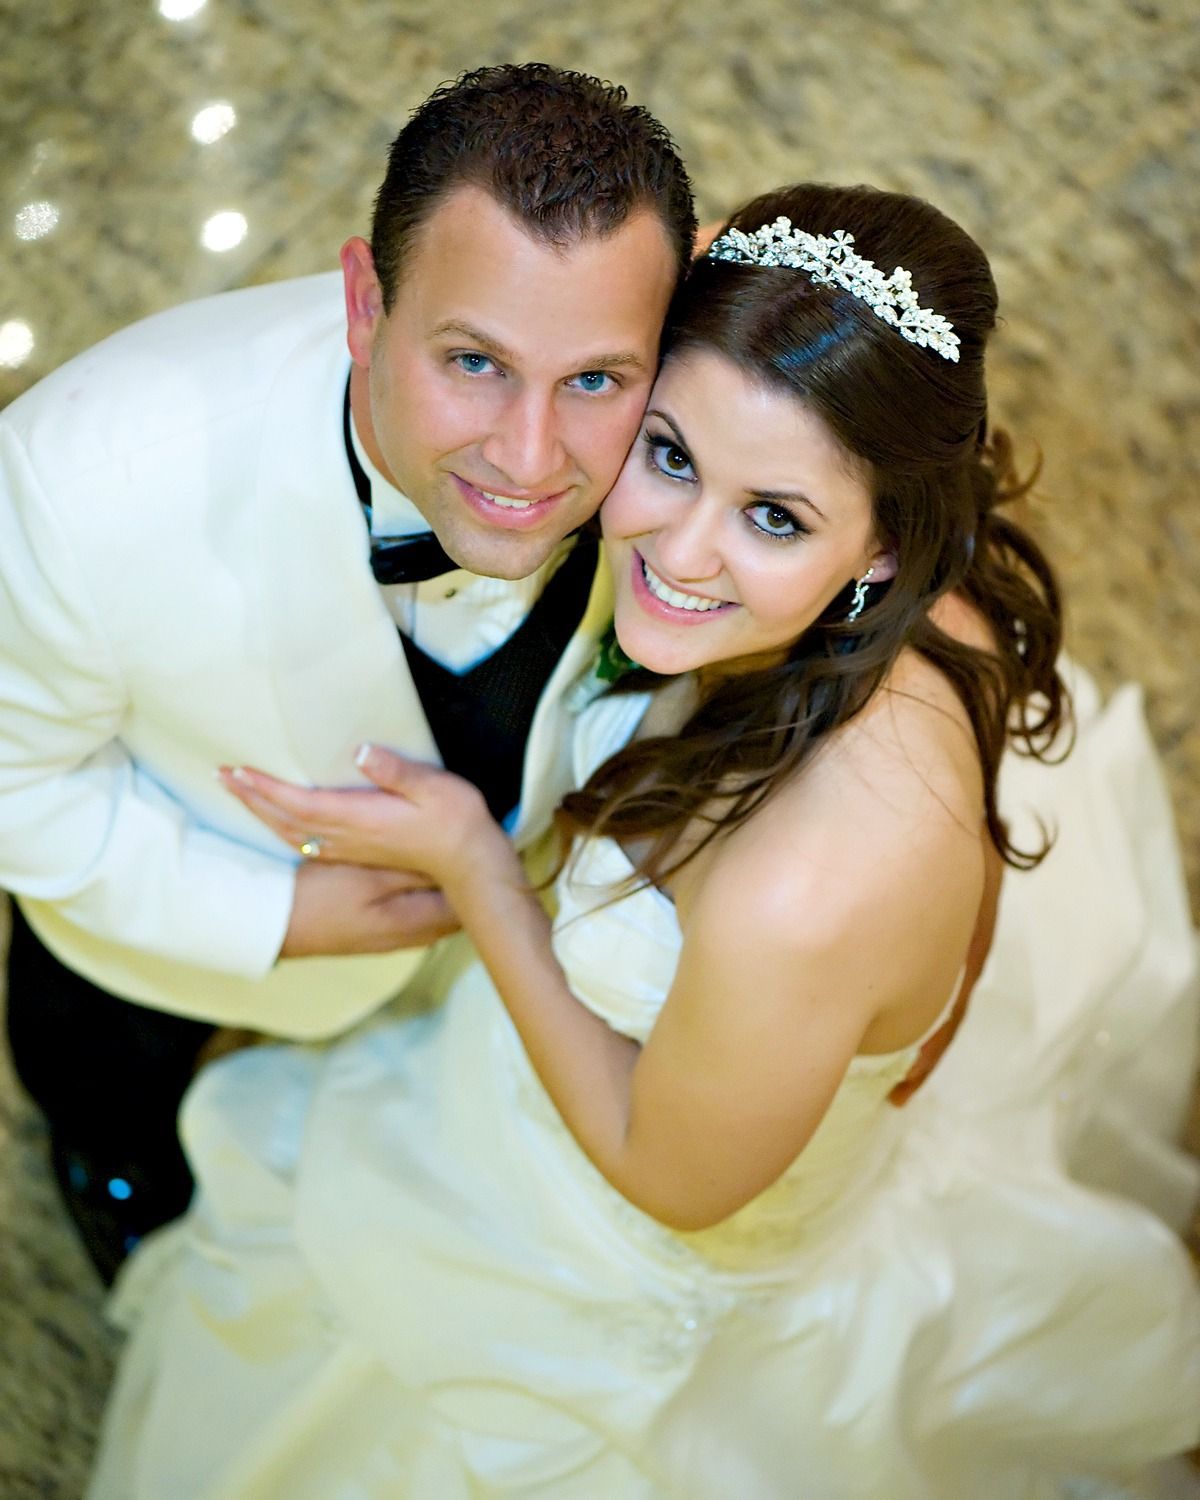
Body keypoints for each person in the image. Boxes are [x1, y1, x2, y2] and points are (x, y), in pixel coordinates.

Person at [88, 184, 1200, 1498]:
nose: (676, 551)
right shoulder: (885, 581)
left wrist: (480, 875)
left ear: (880, 552)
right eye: (668, 452)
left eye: (771, 517)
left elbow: (671, 1180)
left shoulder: (802, 885)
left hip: (642, 1227)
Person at [0, 63, 695, 1279]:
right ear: (365, 302)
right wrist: (271, 915)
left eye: (594, 378)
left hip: (482, 923)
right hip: (161, 925)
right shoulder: (75, 487)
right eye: (472, 361)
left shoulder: (689, 451)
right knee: (102, 1076)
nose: (531, 461)